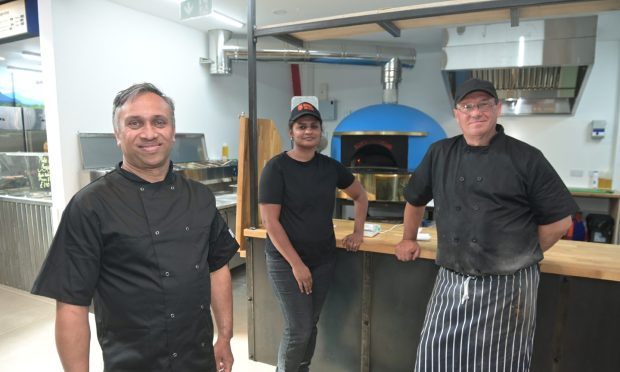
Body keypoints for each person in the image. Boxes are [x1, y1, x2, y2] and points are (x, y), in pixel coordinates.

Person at [31, 83, 238, 372]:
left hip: (197, 359)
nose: (149, 133)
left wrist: (225, 336)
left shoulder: (200, 197)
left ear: (172, 130)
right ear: (118, 134)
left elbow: (217, 268)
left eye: (159, 122)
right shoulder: (90, 205)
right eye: (135, 123)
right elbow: (71, 305)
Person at [395, 78, 577, 372]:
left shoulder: (526, 157)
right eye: (467, 106)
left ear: (497, 109)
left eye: (483, 105)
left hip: (510, 284)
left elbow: (560, 221)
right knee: (434, 358)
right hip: (452, 278)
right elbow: (414, 199)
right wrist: (408, 238)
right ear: (457, 113)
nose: (475, 112)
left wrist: (519, 253)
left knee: (500, 364)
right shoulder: (440, 153)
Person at [258, 101, 368, 371]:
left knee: (310, 324)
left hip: (322, 260)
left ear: (321, 131)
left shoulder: (331, 167)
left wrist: (358, 232)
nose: (308, 131)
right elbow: (270, 222)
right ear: (291, 132)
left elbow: (360, 195)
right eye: (301, 126)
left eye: (314, 126)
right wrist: (297, 265)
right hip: (287, 262)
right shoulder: (277, 168)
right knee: (299, 329)